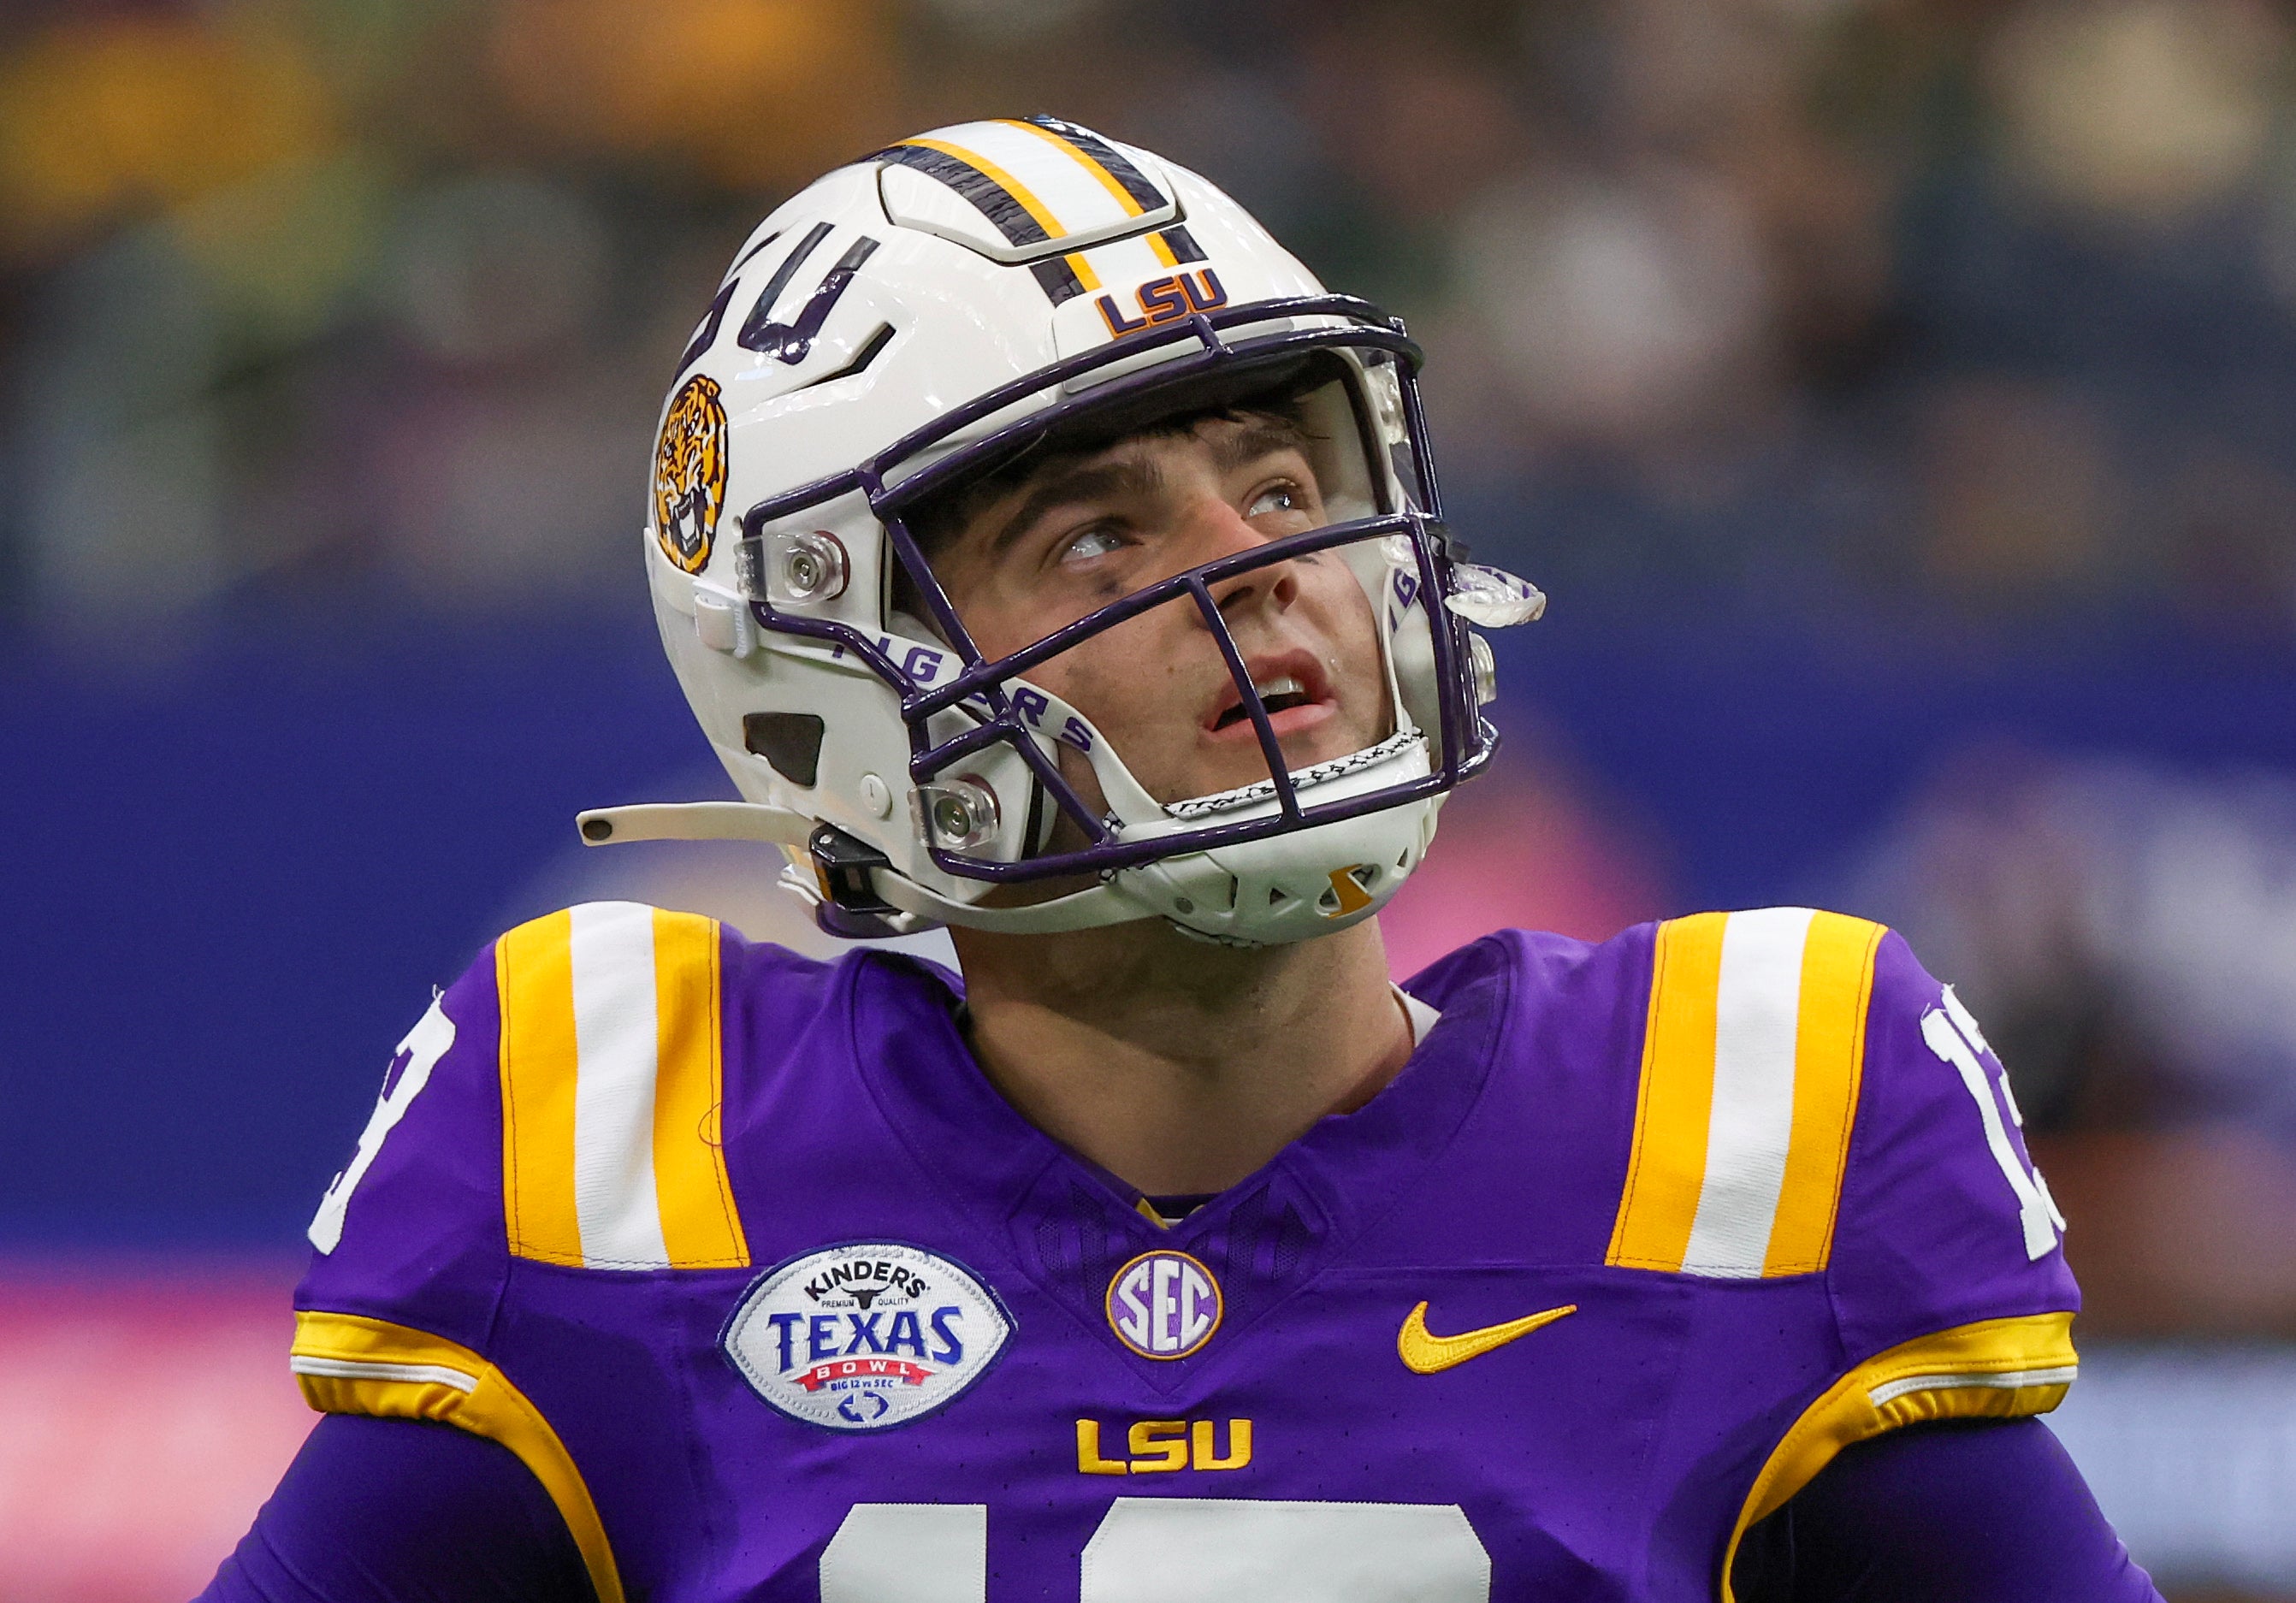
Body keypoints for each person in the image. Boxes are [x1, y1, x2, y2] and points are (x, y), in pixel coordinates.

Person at [202, 117, 2158, 1602]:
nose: (1263, 570)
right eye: (1096, 537)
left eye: (1285, 481)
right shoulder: (614, 1134)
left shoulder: (1760, 1111)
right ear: (828, 681)